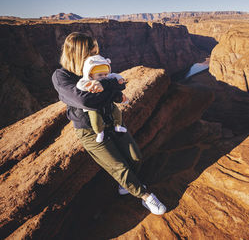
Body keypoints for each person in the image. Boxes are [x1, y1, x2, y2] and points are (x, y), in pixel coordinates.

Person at [52, 32, 166, 215]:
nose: (96, 55)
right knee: (118, 166)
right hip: (90, 131)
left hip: (112, 122)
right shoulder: (61, 76)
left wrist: (106, 87)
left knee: (135, 157)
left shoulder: (94, 68)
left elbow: (119, 85)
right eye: (92, 52)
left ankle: (125, 186)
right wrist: (109, 87)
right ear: (79, 54)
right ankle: (145, 196)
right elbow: (84, 101)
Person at [76, 54, 128, 143]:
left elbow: (114, 76)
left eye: (105, 74)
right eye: (100, 75)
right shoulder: (87, 81)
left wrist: (120, 79)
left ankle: (118, 125)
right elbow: (80, 85)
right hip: (94, 107)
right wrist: (88, 86)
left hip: (107, 103)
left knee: (116, 112)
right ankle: (100, 132)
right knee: (95, 119)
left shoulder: (107, 77)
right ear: (90, 75)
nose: (104, 77)